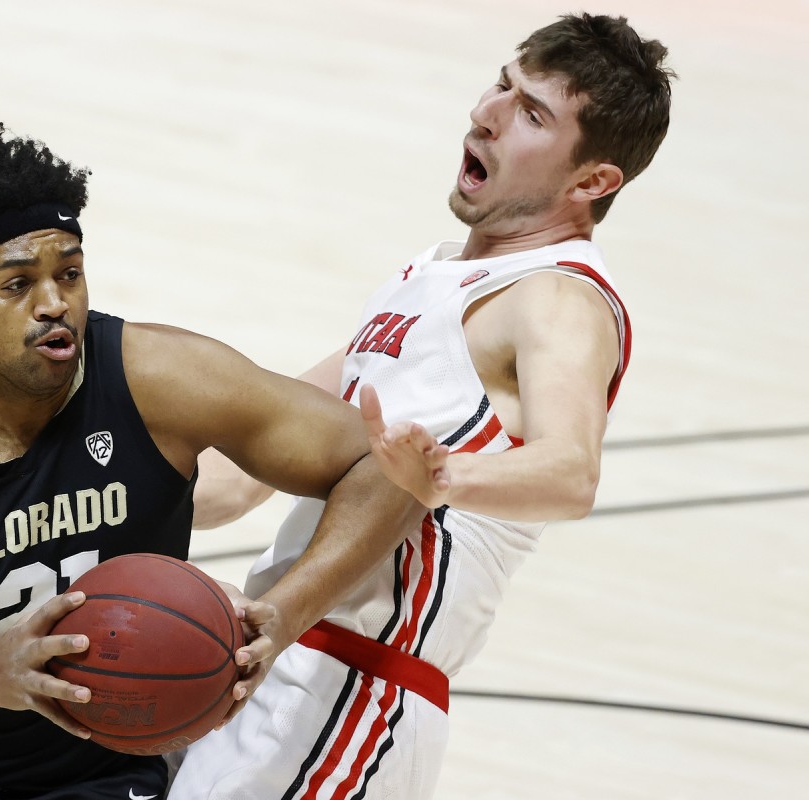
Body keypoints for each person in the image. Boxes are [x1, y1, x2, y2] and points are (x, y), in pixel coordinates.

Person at [0, 125, 425, 799]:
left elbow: (384, 463)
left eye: (69, 273)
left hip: (97, 775)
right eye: (16, 285)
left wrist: (284, 615)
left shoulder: (156, 379)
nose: (53, 304)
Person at [167, 13, 675, 800]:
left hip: (354, 698)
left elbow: (571, 473)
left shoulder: (558, 298)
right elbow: (238, 478)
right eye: (504, 84)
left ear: (593, 182)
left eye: (532, 113)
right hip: (265, 658)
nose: (488, 113)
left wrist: (441, 475)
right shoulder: (430, 277)